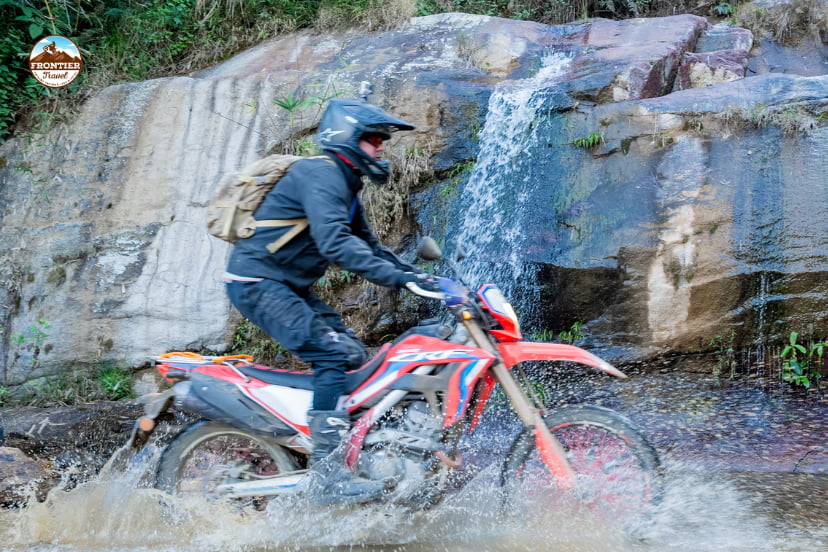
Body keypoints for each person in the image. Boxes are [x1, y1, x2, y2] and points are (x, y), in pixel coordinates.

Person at [223, 97, 433, 501]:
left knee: (353, 355)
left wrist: (419, 278)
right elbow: (335, 243)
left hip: (284, 287)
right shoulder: (320, 175)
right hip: (255, 282)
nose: (381, 147)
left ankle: (349, 454)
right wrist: (400, 279)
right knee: (331, 354)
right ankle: (327, 475)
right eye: (373, 138)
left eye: (381, 140)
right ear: (347, 138)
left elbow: (369, 247)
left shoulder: (345, 183)